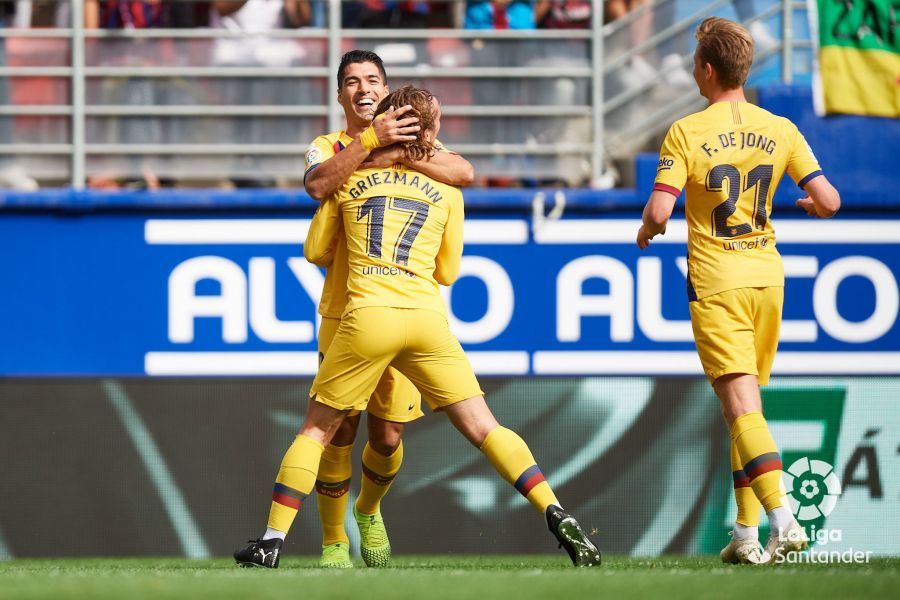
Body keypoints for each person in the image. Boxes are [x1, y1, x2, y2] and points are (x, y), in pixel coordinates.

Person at [236, 85, 601, 569]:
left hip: (366, 314)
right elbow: (448, 271)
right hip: (426, 319)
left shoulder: (350, 176)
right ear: (429, 132)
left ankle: (271, 541)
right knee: (484, 426)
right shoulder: (448, 189)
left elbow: (315, 251)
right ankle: (555, 510)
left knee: (318, 431)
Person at [237, 50, 473, 570]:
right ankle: (332, 543)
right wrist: (371, 144)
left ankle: (368, 510)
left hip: (405, 306)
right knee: (339, 428)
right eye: (351, 81)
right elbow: (318, 183)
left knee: (388, 435)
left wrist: (400, 149)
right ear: (339, 93)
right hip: (345, 311)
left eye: (372, 80)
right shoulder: (328, 146)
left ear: (386, 90)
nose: (362, 89)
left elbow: (462, 169)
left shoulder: (419, 144)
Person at [636, 17, 840, 564]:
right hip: (767, 280)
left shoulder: (686, 131)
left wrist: (647, 230)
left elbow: (660, 208)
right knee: (744, 411)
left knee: (741, 409)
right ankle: (747, 537)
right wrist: (812, 206)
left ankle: (784, 517)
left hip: (717, 281)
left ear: (705, 69)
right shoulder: (781, 128)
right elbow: (830, 200)